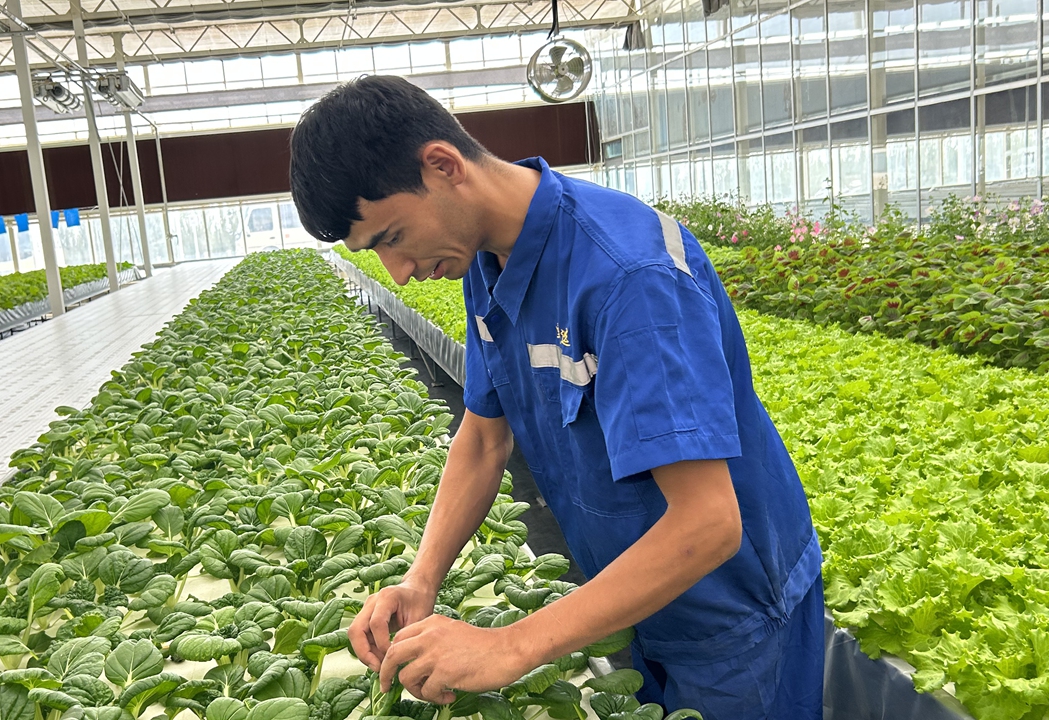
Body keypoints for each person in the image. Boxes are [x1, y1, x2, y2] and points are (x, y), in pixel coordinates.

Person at [288, 75, 825, 720]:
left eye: (391, 238)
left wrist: (512, 646)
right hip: (634, 602)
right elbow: (485, 439)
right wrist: (421, 578)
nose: (397, 272)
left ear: (442, 165)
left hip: (733, 621)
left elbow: (708, 523)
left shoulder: (630, 277)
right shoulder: (486, 259)